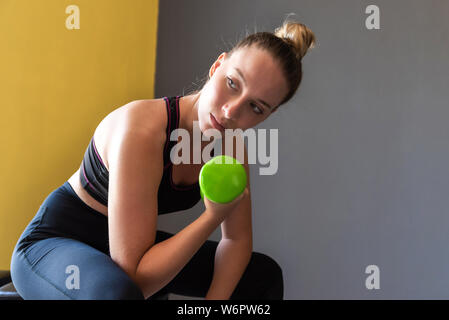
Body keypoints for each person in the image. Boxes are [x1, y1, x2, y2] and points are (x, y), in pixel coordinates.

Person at [10, 18, 316, 300]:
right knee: (118, 294)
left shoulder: (231, 146)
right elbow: (135, 277)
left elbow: (236, 242)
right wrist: (212, 217)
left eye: (256, 107)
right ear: (217, 66)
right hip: (59, 243)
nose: (232, 111)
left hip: (135, 249)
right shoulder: (142, 129)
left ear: (269, 114)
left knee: (263, 276)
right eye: (232, 83)